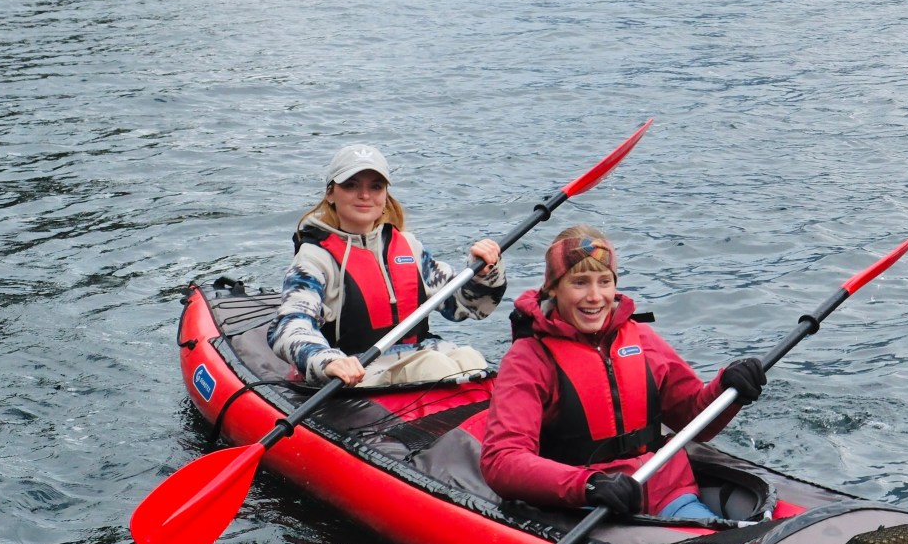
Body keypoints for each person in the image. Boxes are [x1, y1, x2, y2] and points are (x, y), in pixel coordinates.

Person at [479, 225, 766, 521]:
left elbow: (695, 420)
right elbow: (501, 460)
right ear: (553, 287)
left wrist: (728, 391)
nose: (595, 296)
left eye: (605, 281)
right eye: (580, 282)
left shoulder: (640, 338)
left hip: (669, 493)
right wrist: (588, 485)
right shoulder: (529, 359)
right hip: (586, 508)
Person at [271, 143, 507, 386]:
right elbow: (290, 326)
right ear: (331, 194)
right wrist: (326, 360)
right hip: (358, 370)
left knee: (470, 359)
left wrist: (483, 274)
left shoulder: (408, 245)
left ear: (385, 195)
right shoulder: (315, 257)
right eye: (351, 185)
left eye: (375, 186)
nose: (364, 195)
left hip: (419, 354)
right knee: (433, 366)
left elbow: (464, 305)